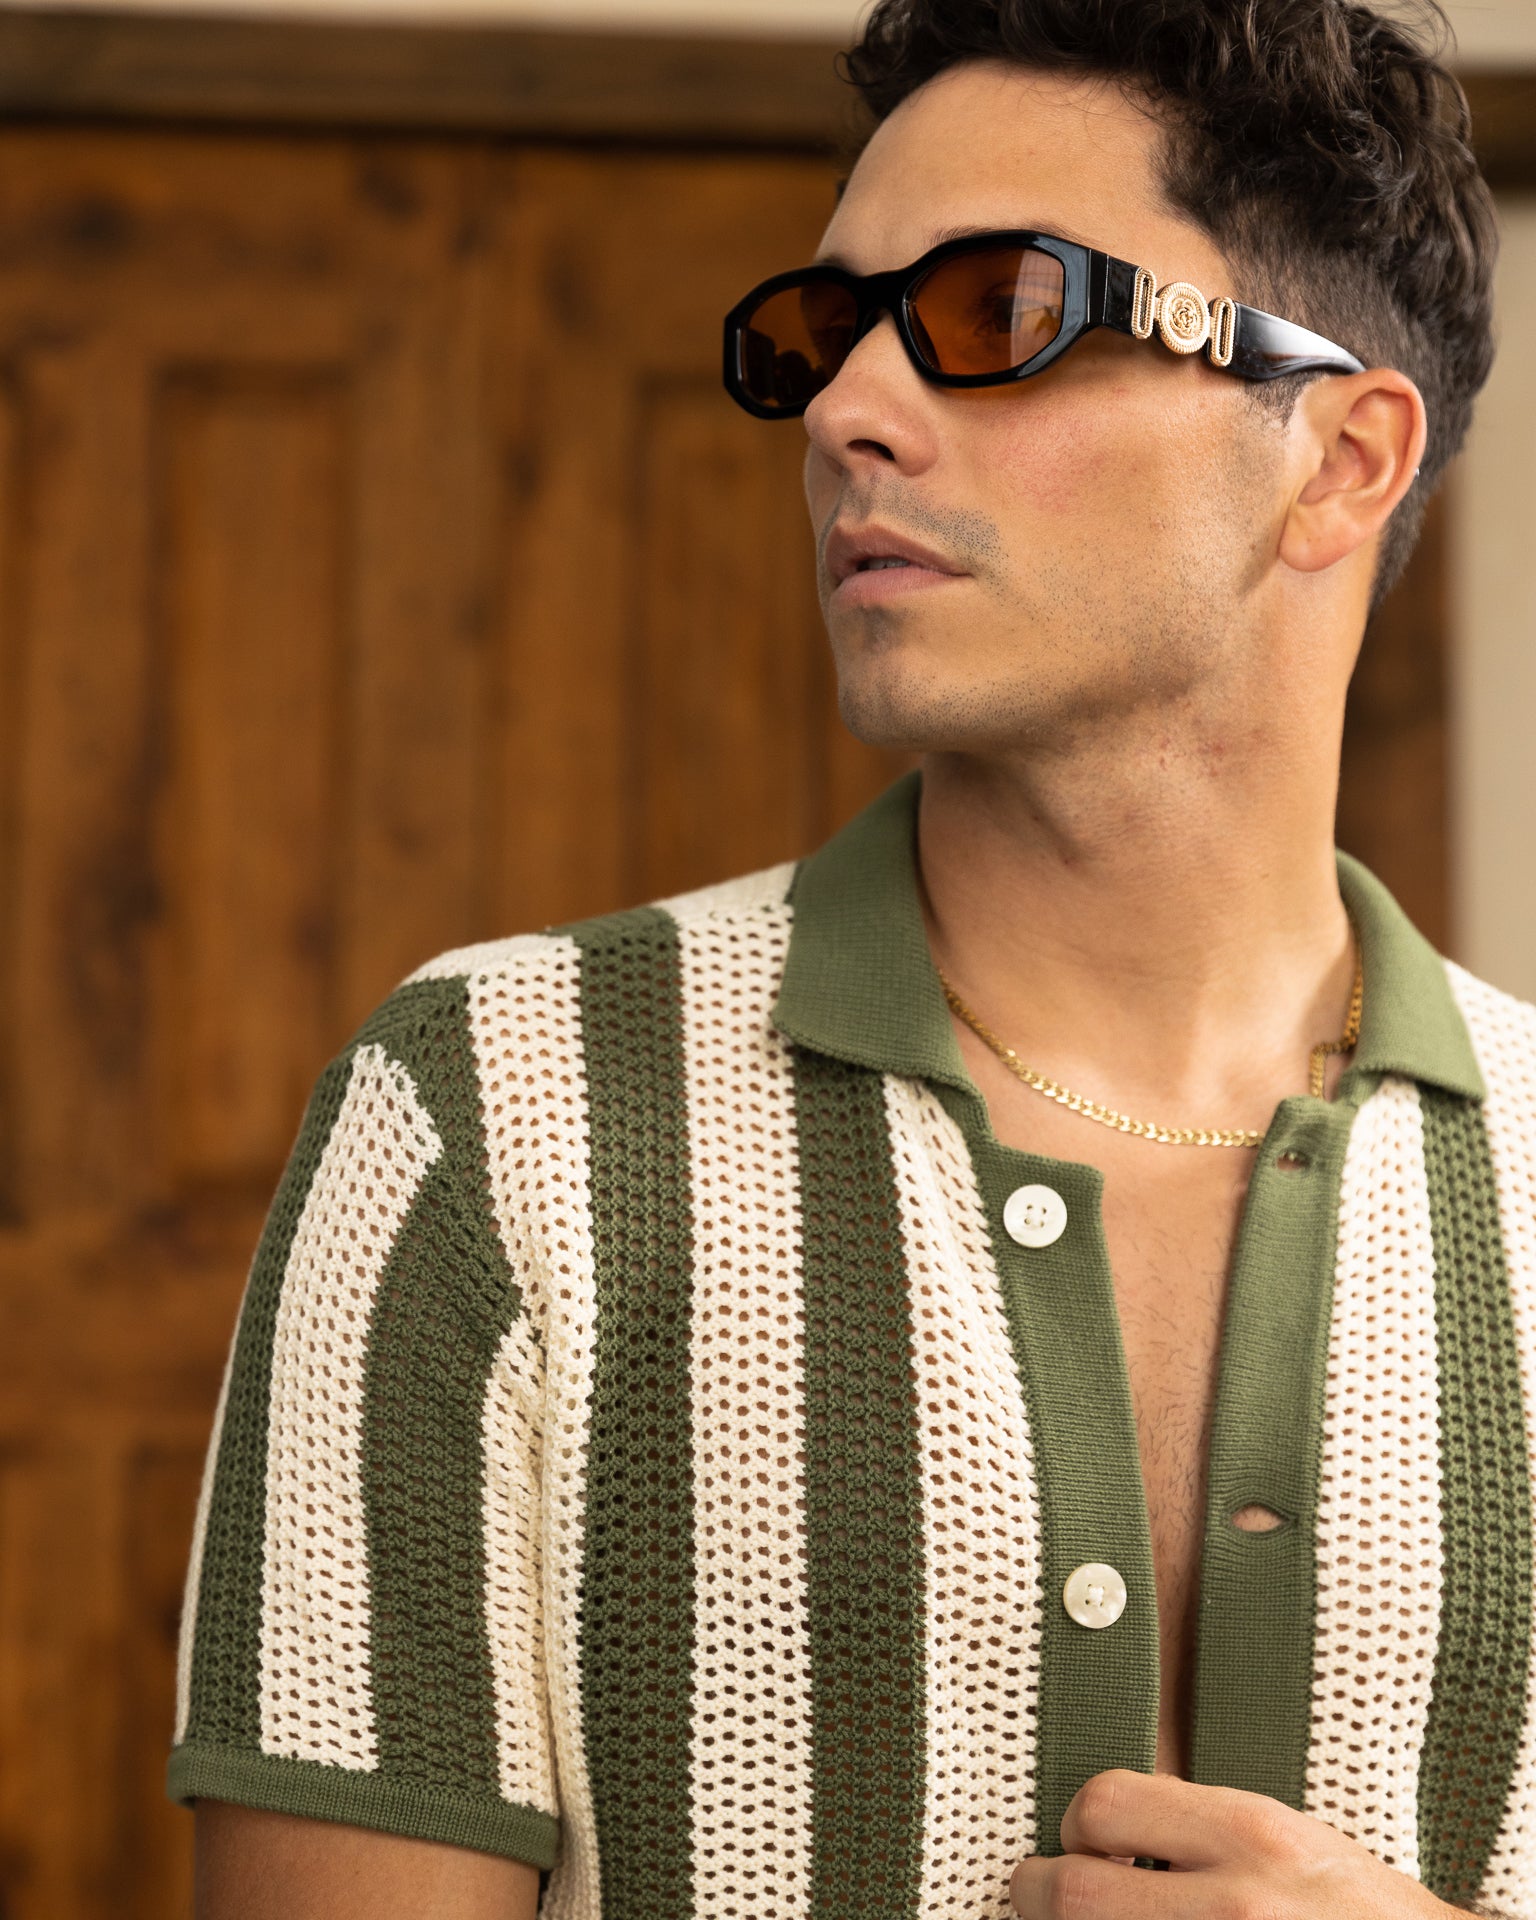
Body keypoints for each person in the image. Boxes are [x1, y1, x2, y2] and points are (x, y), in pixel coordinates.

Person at [172, 1, 1524, 1915]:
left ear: (1337, 457)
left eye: (993, 316)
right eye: (827, 333)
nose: (843, 413)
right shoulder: (492, 1115)